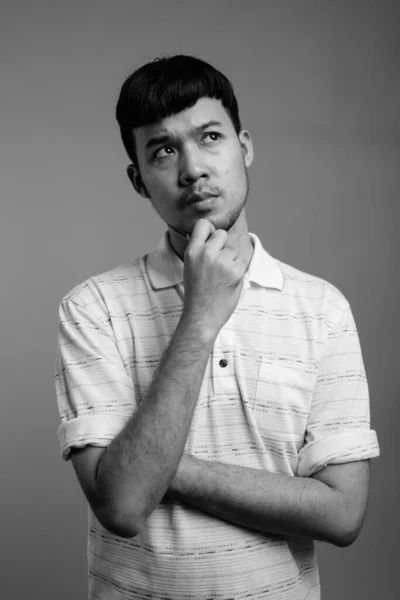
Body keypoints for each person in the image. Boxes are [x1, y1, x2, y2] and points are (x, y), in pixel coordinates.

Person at [54, 54, 380, 600]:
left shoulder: (322, 308)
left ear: (244, 147)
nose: (192, 168)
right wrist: (199, 320)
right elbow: (124, 508)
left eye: (210, 137)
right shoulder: (93, 308)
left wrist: (154, 468)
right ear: (139, 180)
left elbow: (344, 514)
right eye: (163, 149)